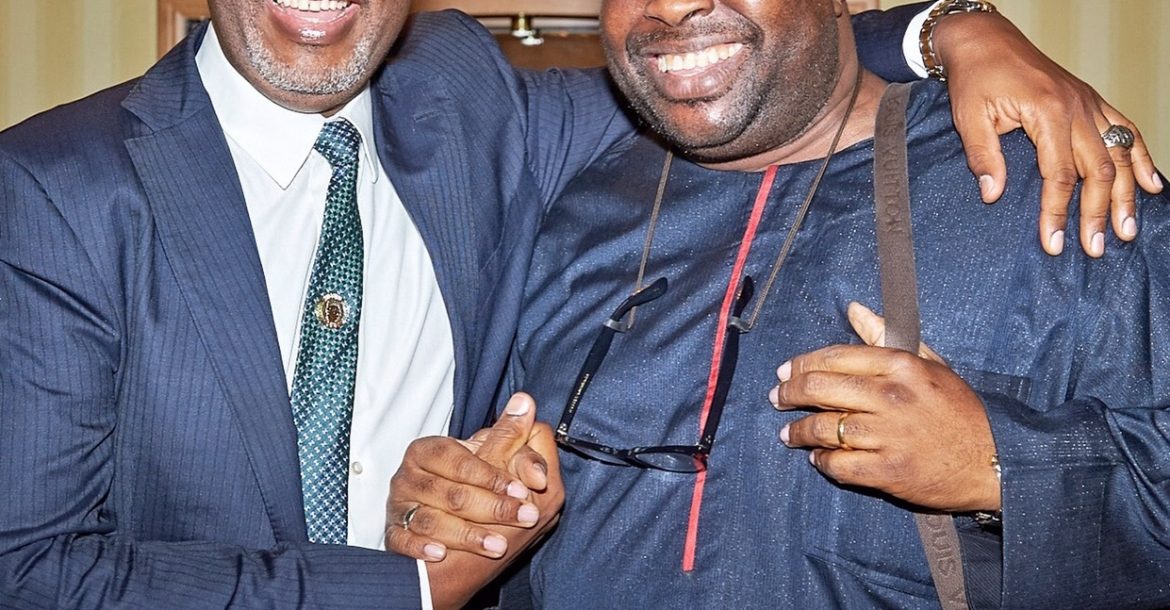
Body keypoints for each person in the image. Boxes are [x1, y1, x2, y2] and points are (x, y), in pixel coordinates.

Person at [0, 0, 1158, 608]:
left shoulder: (1061, 187)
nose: (673, 8)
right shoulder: (57, 187)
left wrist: (950, 26)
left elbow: (735, 66)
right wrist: (422, 563)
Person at [387, 0, 1170, 608]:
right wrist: (458, 509)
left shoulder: (1064, 187)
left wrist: (999, 464)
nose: (672, 7)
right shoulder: (568, 208)